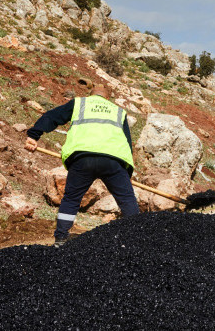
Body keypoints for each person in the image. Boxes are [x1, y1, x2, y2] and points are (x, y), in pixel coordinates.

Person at [24, 84, 139, 247]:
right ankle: (136, 240)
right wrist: (125, 175)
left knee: (71, 199)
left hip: (83, 158)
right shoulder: (118, 111)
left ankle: (61, 239)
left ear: (90, 95)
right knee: (127, 200)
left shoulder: (80, 103)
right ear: (107, 98)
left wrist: (34, 136)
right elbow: (127, 143)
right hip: (114, 160)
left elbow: (52, 116)